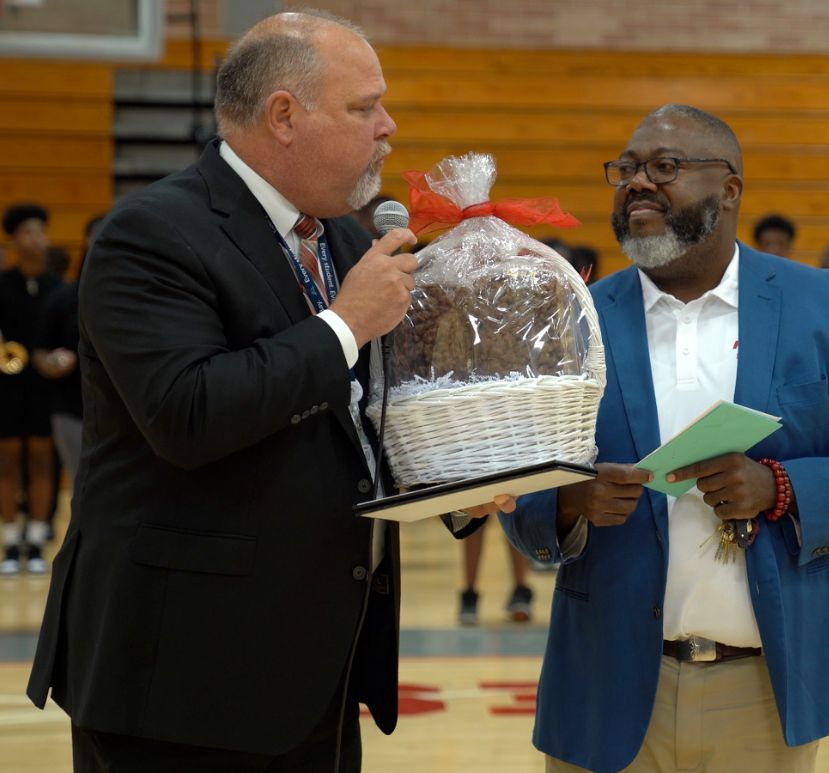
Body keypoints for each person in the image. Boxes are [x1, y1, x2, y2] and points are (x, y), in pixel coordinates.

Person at [26, 11, 511, 771]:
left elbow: (359, 422)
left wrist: (456, 483)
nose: (387, 126)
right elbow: (188, 413)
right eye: (363, 106)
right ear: (284, 114)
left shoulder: (347, 240)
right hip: (180, 681)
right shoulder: (149, 234)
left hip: (320, 670)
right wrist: (344, 322)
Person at [500, 105, 829, 773]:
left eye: (665, 166)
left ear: (729, 189)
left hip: (761, 693)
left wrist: (779, 488)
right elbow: (517, 489)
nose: (638, 182)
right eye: (627, 169)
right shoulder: (570, 318)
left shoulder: (826, 306)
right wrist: (568, 501)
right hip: (605, 685)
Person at [0, 203, 60, 576]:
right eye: (28, 232)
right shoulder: (2, 284)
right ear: (13, 240)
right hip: (5, 382)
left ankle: (36, 538)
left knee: (41, 457)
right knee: (6, 459)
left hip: (45, 385)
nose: (36, 239)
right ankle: (9, 540)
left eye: (40, 232)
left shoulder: (59, 288)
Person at [33, 214, 104, 492]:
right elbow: (40, 351)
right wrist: (51, 364)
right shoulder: (64, 298)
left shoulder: (138, 296)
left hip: (129, 411)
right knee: (81, 484)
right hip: (73, 409)